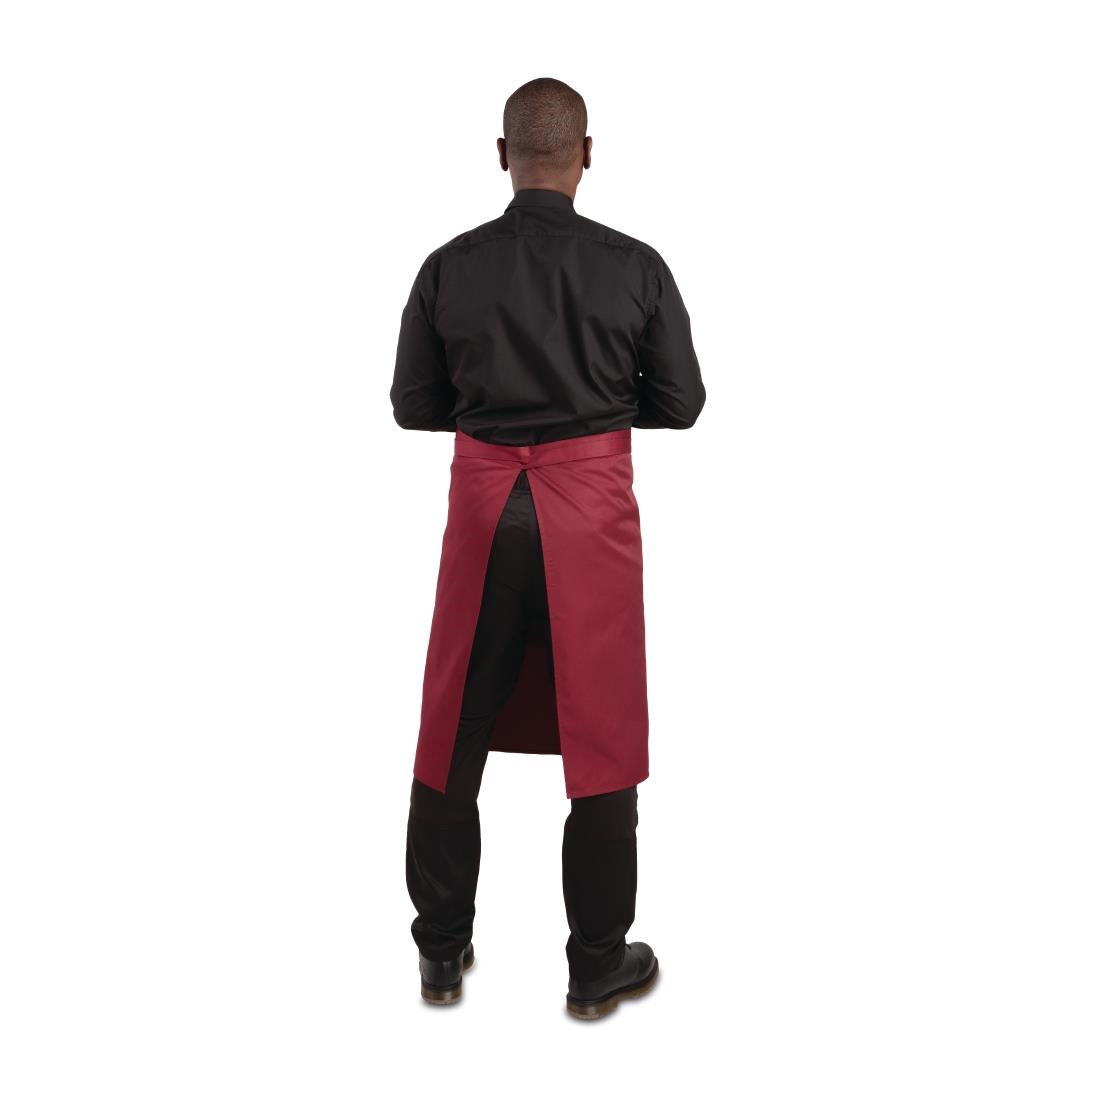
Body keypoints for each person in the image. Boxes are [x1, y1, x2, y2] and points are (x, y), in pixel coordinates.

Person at [391, 76, 705, 1019]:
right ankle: (597, 965)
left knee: (453, 731)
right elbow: (682, 403)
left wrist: (501, 420)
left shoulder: (447, 266)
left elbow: (413, 405)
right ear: (587, 155)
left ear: (503, 156)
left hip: (484, 509)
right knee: (603, 735)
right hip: (591, 515)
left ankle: (440, 953)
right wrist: (593, 413)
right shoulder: (636, 266)